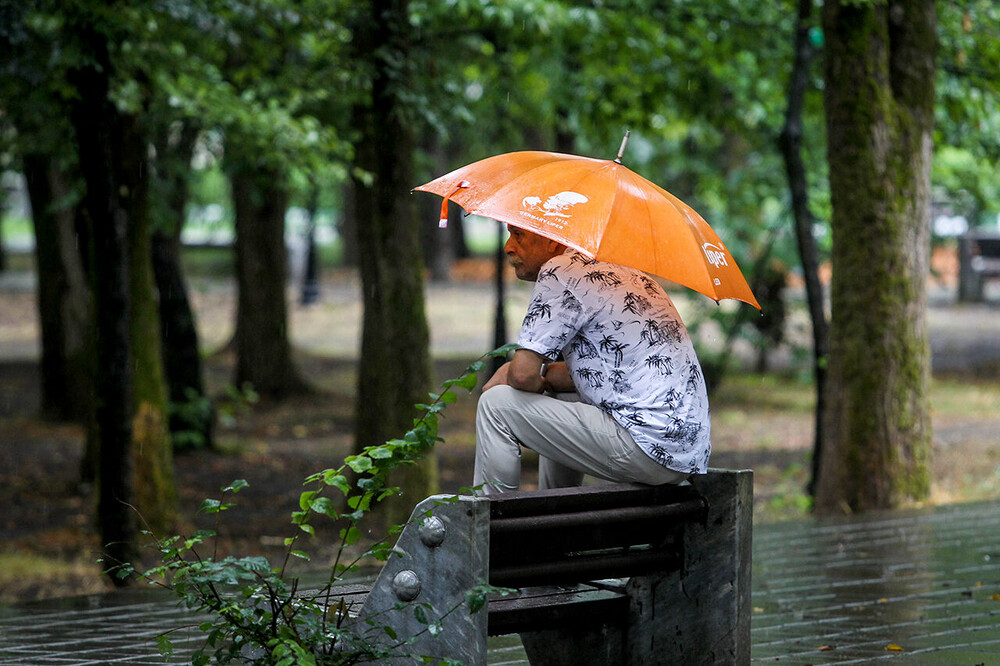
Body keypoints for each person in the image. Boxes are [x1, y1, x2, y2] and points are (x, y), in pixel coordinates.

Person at [473, 224, 711, 495]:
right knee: (563, 395)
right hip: (683, 454)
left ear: (552, 240)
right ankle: (554, 517)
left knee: (495, 406)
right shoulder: (627, 273)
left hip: (645, 444)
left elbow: (522, 376)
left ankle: (491, 527)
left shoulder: (561, 270)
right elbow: (601, 373)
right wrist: (544, 377)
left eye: (519, 235)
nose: (509, 247)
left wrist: (525, 377)